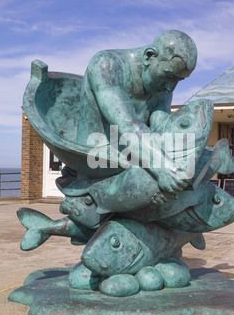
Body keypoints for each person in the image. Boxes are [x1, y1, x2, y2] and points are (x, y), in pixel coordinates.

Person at [76, 30, 197, 202]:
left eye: (179, 80)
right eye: (170, 76)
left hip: (135, 161)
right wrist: (163, 169)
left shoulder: (162, 87)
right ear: (149, 56)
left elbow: (162, 130)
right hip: (98, 162)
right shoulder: (107, 65)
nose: (171, 87)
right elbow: (127, 125)